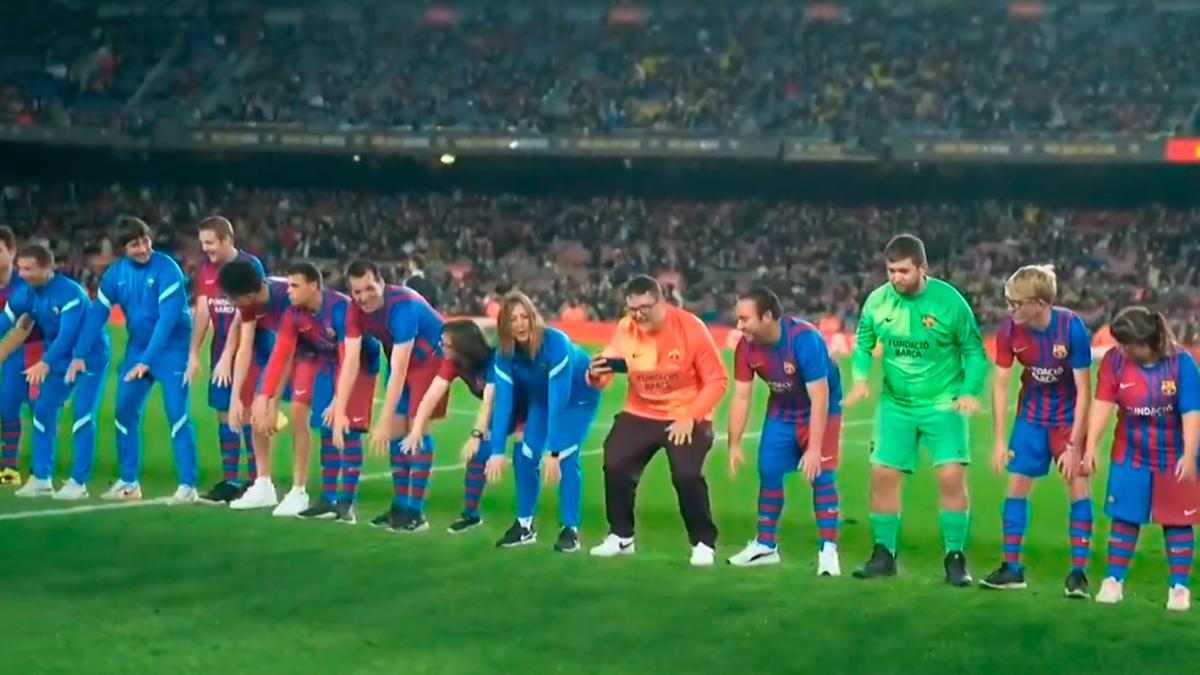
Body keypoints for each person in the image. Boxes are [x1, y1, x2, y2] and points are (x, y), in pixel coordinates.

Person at [845, 234, 988, 586]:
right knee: (882, 476)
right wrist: (860, 379)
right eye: (891, 270)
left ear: (923, 268)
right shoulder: (878, 302)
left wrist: (969, 390)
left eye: (904, 271)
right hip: (896, 405)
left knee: (951, 477)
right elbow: (863, 344)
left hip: (943, 403)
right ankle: (884, 554)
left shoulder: (949, 302)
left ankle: (955, 558)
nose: (896, 278)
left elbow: (973, 351)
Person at [587, 275, 728, 566]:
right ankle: (621, 536)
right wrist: (595, 374)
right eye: (633, 309)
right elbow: (606, 372)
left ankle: (703, 542)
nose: (638, 315)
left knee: (687, 474)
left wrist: (690, 417)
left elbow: (717, 380)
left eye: (645, 308)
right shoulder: (626, 328)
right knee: (615, 461)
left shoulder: (690, 328)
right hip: (641, 411)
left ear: (661, 301)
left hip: (686, 411)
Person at [980, 265, 1094, 597]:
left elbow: (1085, 391)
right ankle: (1012, 569)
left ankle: (1078, 575)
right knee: (1016, 489)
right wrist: (1000, 439)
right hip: (1030, 417)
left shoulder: (1071, 329)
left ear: (1040, 303)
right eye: (1009, 302)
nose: (1011, 309)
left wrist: (1074, 445)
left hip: (1067, 419)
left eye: (1017, 303)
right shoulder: (1009, 331)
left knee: (1078, 486)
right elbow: (1000, 386)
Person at [73, 217, 199, 503]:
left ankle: (187, 485)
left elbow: (167, 322)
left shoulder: (168, 269)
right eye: (134, 244)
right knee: (124, 413)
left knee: (177, 415)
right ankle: (129, 482)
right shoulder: (116, 274)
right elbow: (97, 314)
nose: (143, 248)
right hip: (138, 348)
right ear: (122, 248)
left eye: (145, 240)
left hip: (172, 350)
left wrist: (146, 361)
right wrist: (79, 354)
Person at [1087, 307, 1198, 612]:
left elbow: (1191, 413)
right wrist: (1090, 446)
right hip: (1130, 453)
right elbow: (1102, 404)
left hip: (1173, 453)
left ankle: (1179, 588)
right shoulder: (1114, 361)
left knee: (1177, 521)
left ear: (1145, 344)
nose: (1121, 349)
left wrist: (1189, 456)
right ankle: (1113, 581)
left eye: (1126, 344)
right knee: (1125, 517)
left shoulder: (1182, 364)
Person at [726, 287, 843, 575]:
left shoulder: (804, 340)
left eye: (744, 318)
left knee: (821, 475)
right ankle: (766, 545)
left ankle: (828, 551)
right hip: (782, 411)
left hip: (821, 409)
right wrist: (734, 443)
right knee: (769, 470)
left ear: (767, 316)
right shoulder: (746, 346)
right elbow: (741, 396)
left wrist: (815, 449)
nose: (739, 326)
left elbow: (820, 396)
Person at [252, 262, 379, 524]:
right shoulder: (294, 314)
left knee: (348, 429)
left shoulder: (341, 309)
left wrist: (339, 401)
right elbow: (280, 356)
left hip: (361, 364)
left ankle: (346, 504)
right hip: (328, 361)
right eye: (288, 285)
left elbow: (350, 357)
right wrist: (264, 396)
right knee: (324, 425)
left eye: (295, 285)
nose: (288, 291)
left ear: (314, 286)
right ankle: (328, 499)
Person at [483, 291, 601, 553]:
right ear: (504, 324)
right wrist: (497, 451)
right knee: (524, 453)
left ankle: (570, 529)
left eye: (525, 317)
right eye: (513, 319)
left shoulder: (555, 342)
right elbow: (504, 402)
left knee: (566, 458)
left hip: (577, 399)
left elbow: (560, 398)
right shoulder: (504, 353)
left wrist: (554, 450)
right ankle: (525, 526)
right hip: (543, 399)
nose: (520, 324)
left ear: (533, 318)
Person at [332, 259, 444, 533]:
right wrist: (339, 410)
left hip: (430, 359)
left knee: (414, 430)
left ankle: (416, 513)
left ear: (381, 282)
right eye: (357, 292)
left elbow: (399, 370)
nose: (363, 297)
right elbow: (350, 362)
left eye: (369, 288)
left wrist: (381, 420)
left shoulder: (402, 307)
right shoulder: (354, 310)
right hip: (401, 359)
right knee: (396, 435)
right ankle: (400, 504)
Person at [0, 245, 108, 499]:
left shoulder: (70, 292)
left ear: (48, 269)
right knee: (43, 411)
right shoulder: (24, 294)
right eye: (21, 268)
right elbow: (3, 322)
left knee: (82, 416)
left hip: (89, 356)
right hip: (58, 359)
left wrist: (45, 362)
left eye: (29, 269)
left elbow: (68, 334)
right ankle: (41, 477)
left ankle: (78, 483)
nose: (23, 274)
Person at [401, 319, 527, 534]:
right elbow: (431, 395)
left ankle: (528, 521)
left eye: (445, 344)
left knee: (525, 458)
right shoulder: (453, 362)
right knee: (478, 457)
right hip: (502, 410)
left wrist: (476, 435)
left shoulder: (494, 361)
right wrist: (415, 431)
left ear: (464, 346)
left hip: (528, 406)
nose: (440, 347)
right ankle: (471, 514)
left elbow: (490, 400)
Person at [189, 215, 266, 503]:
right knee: (224, 411)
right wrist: (193, 353)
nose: (206, 249)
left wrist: (228, 356)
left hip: (249, 349)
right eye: (203, 243)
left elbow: (244, 314)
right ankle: (231, 478)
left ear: (226, 240)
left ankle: (256, 478)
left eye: (210, 243)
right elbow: (203, 311)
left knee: (246, 413)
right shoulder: (206, 271)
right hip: (219, 350)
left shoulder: (249, 266)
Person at [217, 261, 295, 513]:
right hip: (282, 352)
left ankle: (309, 491)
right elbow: (245, 346)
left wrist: (271, 402)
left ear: (248, 295)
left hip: (313, 353)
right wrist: (236, 398)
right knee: (254, 409)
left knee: (311, 416)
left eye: (234, 299)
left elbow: (291, 352)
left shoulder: (288, 298)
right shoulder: (251, 304)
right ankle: (264, 484)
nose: (233, 305)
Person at [0, 226, 42, 485]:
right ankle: (9, 467)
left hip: (37, 352)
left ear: (12, 252)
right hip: (12, 354)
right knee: (7, 406)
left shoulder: (24, 285)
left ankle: (42, 469)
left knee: (41, 410)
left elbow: (22, 328)